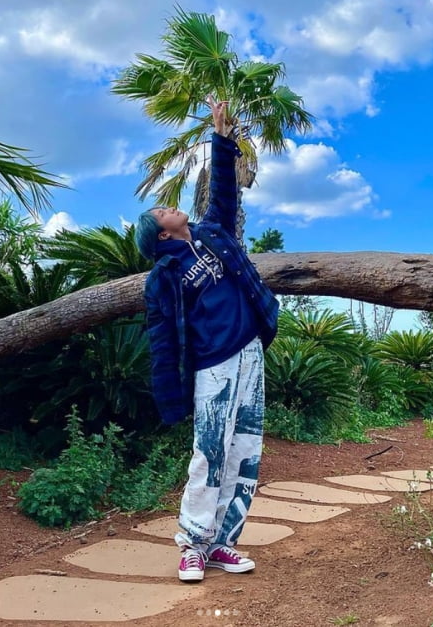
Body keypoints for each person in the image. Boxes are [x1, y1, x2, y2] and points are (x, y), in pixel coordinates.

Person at [135, 96, 279, 583]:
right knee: (210, 452)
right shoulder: (163, 278)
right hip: (212, 367)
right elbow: (162, 343)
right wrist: (170, 398)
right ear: (159, 235)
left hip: (250, 353)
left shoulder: (214, 235)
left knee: (246, 450)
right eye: (162, 210)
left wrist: (222, 139)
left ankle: (223, 544)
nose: (170, 206)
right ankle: (192, 545)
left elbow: (223, 194)